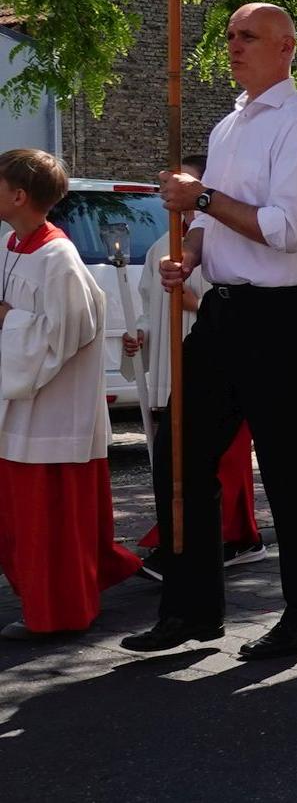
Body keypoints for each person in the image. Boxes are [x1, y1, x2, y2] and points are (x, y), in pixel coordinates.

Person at [122, 3, 297, 660]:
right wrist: (186, 254)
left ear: (286, 47)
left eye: (248, 36)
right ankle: (192, 608)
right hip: (223, 311)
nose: (234, 46)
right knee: (180, 454)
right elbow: (212, 225)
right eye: (229, 36)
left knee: (288, 466)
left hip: (283, 313)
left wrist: (202, 199)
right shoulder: (227, 127)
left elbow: (285, 229)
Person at [0, 149, 140, 639]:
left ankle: (61, 613)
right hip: (21, 409)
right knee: (21, 522)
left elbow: (66, 332)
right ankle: (44, 603)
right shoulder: (12, 244)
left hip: (53, 414)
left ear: (19, 195)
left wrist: (7, 322)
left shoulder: (58, 256)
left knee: (50, 522)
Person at [125, 155, 264, 578]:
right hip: (176, 360)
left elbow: (242, 303)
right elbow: (151, 301)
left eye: (190, 187)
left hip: (216, 358)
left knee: (220, 454)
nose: (179, 196)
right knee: (179, 456)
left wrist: (195, 303)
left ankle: (234, 535)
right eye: (172, 187)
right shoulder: (158, 248)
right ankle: (182, 537)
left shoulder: (226, 239)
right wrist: (142, 335)